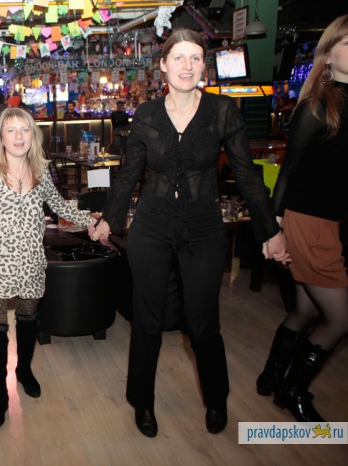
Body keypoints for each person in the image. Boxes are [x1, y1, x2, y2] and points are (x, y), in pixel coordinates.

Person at [93, 29, 288, 437]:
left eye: (195, 58)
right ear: (163, 65)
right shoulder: (147, 114)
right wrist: (109, 219)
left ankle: (216, 400)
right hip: (152, 225)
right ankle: (142, 402)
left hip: (202, 226)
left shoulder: (222, 110)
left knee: (202, 325)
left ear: (204, 66)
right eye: (178, 57)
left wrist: (270, 230)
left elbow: (247, 175)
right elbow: (129, 174)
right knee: (148, 320)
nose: (187, 65)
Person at [0, 108, 96, 429]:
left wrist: (92, 221)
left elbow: (59, 206)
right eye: (11, 130)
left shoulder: (41, 170)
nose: (18, 136)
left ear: (33, 135)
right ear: (0, 137)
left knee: (28, 319)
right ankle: (0, 393)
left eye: (24, 130)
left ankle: (24, 369)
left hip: (30, 260)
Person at [257, 15, 348, 423]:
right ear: (327, 55)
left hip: (330, 220)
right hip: (309, 221)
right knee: (340, 319)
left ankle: (270, 376)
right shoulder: (317, 105)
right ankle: (293, 389)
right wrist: (274, 229)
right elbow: (288, 171)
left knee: (307, 311)